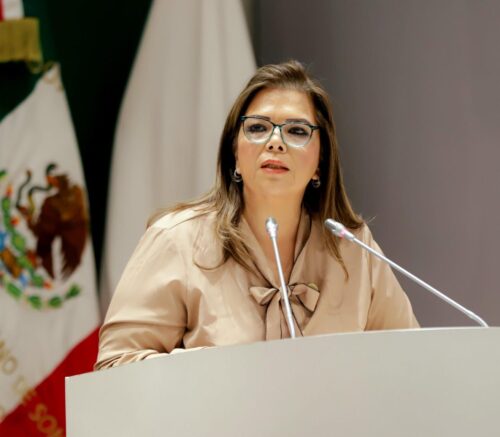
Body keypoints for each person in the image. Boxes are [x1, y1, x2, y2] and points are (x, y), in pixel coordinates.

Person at [95, 60, 418, 370]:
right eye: (258, 128)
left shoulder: (353, 248)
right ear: (235, 153)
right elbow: (116, 365)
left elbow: (410, 361)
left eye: (297, 131)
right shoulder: (177, 240)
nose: (275, 142)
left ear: (320, 162)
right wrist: (211, 370)